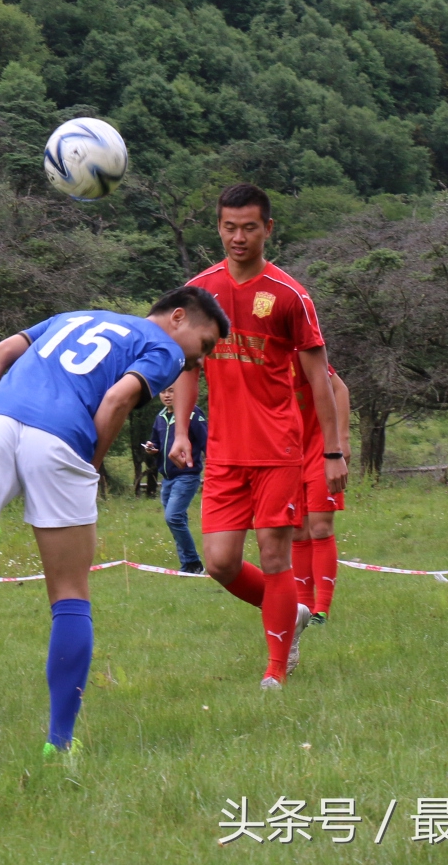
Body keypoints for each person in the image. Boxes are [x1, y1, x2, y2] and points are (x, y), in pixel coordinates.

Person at [0, 288, 228, 762]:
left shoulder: (74, 314)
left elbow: (0, 352)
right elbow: (115, 399)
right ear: (179, 317)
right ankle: (59, 742)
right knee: (69, 593)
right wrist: (93, 464)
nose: (201, 359)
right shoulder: (166, 348)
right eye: (205, 344)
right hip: (60, 436)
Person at [174, 183, 342, 691]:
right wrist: (182, 431)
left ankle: (275, 668)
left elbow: (322, 380)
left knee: (274, 555)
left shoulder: (290, 296)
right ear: (218, 228)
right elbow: (187, 365)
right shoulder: (200, 293)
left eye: (249, 227)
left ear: (268, 229)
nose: (238, 237)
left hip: (278, 449)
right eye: (229, 227)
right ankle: (290, 614)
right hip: (224, 451)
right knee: (220, 563)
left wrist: (333, 451)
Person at [293, 368, 352, 625]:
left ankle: (322, 609)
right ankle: (303, 607)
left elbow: (340, 389)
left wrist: (342, 439)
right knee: (297, 531)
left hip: (320, 449)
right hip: (286, 451)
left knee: (319, 526)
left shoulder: (301, 351)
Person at [147, 402, 207, 573]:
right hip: (167, 477)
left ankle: (194, 562)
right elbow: (157, 442)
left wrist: (215, 468)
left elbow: (206, 440)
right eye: (164, 391)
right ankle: (187, 566)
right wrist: (152, 449)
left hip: (187, 474)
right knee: (177, 520)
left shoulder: (193, 413)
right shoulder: (161, 416)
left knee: (173, 517)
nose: (167, 395)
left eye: (172, 391)